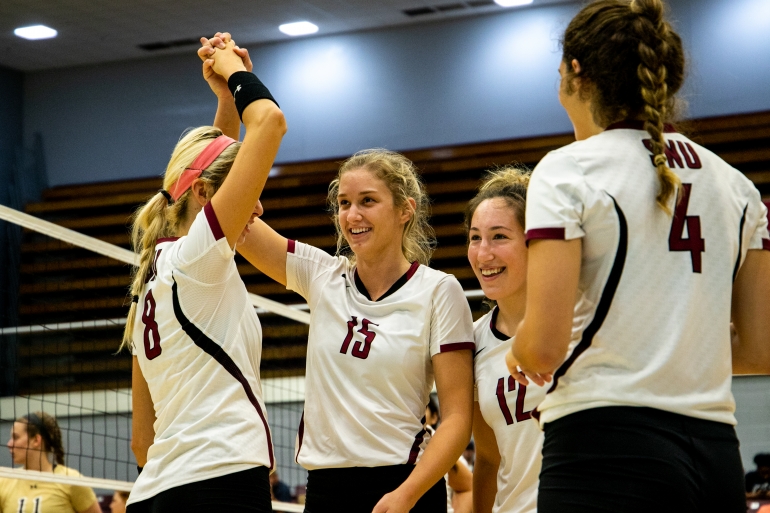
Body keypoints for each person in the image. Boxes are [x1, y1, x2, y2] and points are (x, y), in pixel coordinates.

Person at [505, 0, 770, 511]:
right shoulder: (738, 187)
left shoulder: (567, 170)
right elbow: (760, 349)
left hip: (604, 446)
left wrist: (515, 353)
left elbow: (541, 348)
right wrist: (667, 343)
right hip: (716, 455)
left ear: (574, 73)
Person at [200, 32, 475, 513]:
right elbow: (226, 208)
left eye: (368, 201)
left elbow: (456, 418)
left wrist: (406, 496)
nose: (352, 215)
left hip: (404, 487)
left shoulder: (438, 291)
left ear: (405, 210)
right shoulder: (322, 275)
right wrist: (229, 97)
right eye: (344, 203)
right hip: (326, 490)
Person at [122, 38, 287, 513]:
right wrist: (236, 72)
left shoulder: (153, 275)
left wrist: (222, 103)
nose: (255, 205)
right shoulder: (197, 259)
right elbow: (271, 124)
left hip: (155, 491)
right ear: (204, 194)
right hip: (221, 481)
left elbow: (141, 440)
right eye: (247, 189)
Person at [466, 167, 546, 513]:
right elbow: (487, 458)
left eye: (499, 236)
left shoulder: (583, 319)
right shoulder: (472, 342)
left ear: (534, 242)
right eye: (474, 238)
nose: (484, 254)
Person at [1, 412, 101, 513]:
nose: (9, 444)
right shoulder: (4, 482)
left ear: (36, 440)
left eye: (15, 437)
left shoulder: (71, 480)